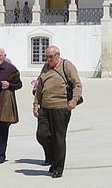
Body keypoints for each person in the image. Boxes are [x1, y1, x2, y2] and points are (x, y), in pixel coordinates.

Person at [34, 45, 81, 179]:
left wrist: (74, 100)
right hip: (45, 107)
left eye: (51, 57)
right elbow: (39, 87)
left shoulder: (66, 65)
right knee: (41, 134)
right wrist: (35, 104)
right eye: (47, 57)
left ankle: (58, 167)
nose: (48, 59)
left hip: (61, 108)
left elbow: (77, 84)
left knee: (59, 138)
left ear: (58, 55)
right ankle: (53, 157)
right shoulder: (45, 67)